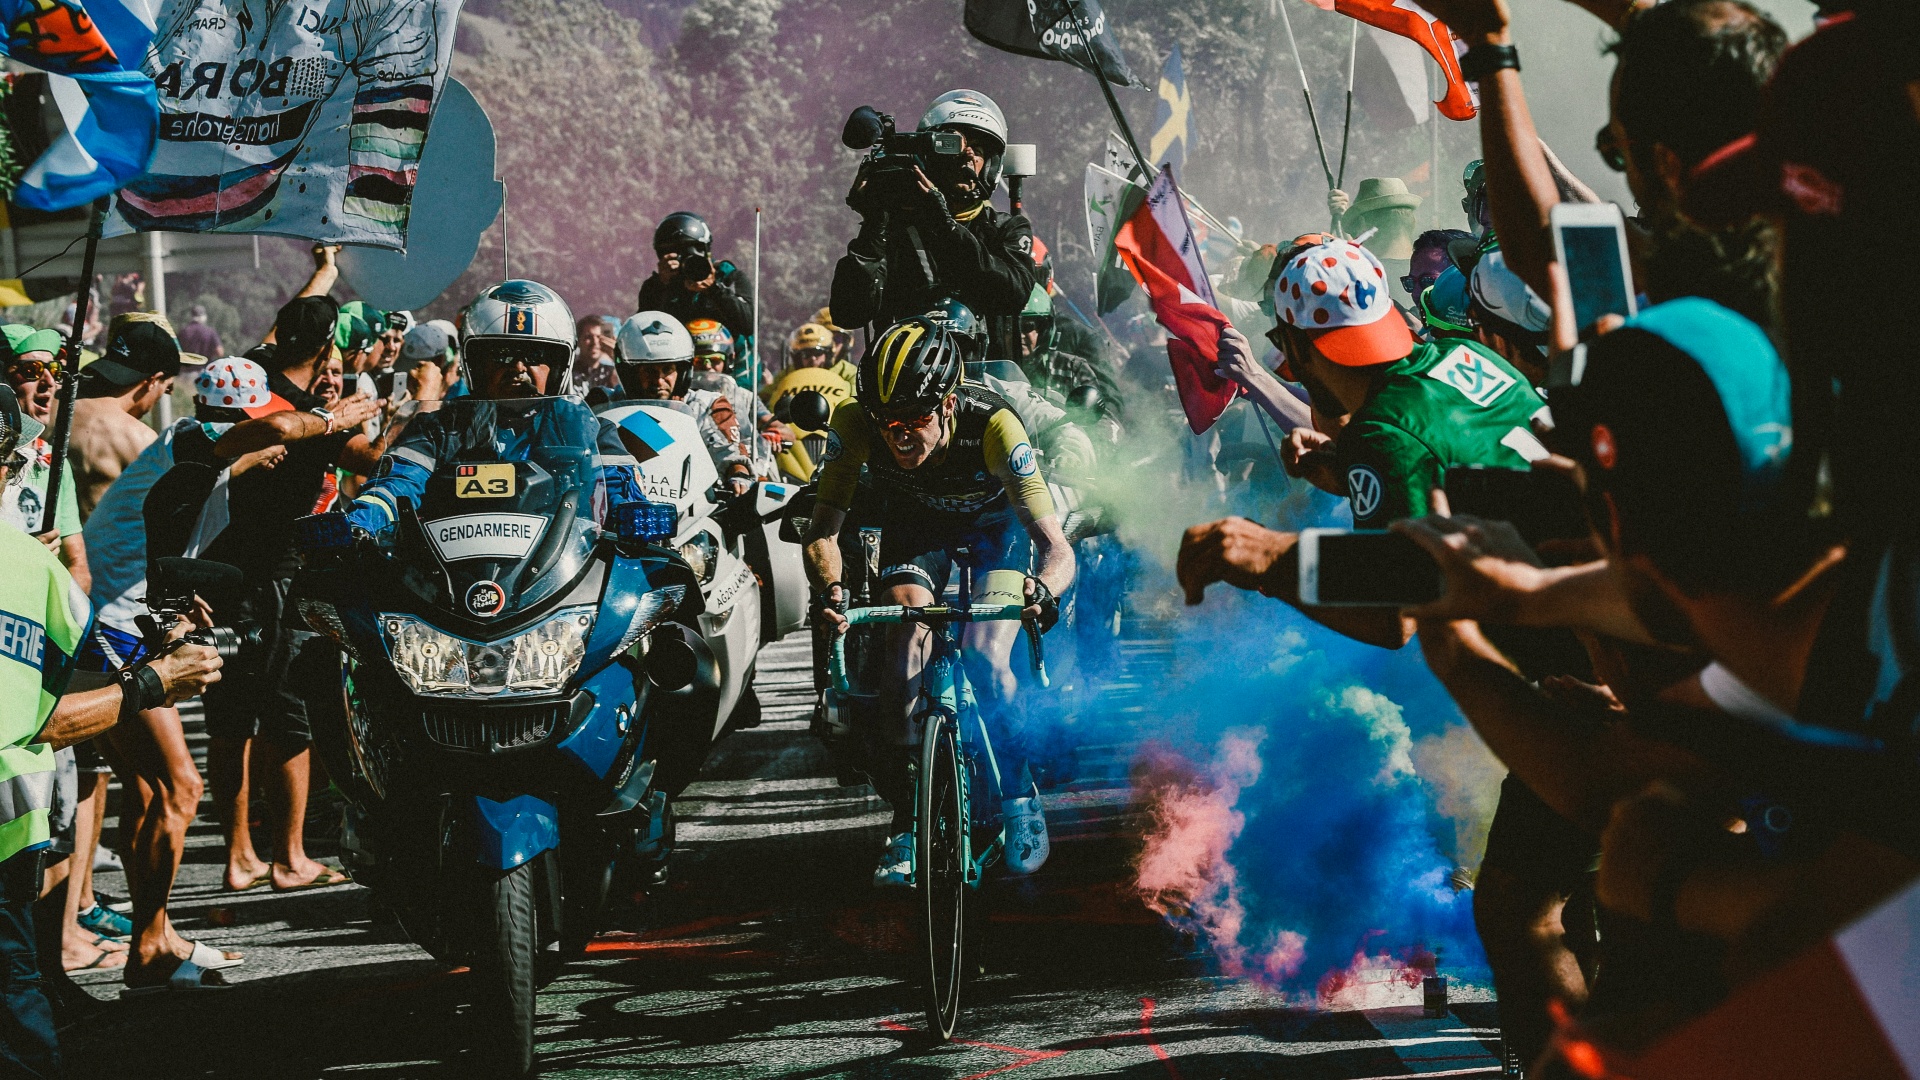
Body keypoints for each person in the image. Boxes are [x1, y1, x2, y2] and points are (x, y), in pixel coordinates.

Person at [803, 312, 1075, 886]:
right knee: (904, 646)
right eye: (887, 423)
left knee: (985, 653)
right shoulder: (853, 423)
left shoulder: (996, 425)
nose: (899, 437)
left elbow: (1055, 546)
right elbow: (823, 530)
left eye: (915, 420)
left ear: (949, 404)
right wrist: (830, 591)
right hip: (917, 526)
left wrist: (1045, 591)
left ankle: (1018, 792)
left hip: (995, 527)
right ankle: (908, 816)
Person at [1, 381, 222, 1069]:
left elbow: (78, 680)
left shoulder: (33, 565)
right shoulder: (31, 563)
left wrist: (157, 650)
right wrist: (157, 680)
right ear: (15, 464)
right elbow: (48, 724)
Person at [194, 294, 395, 911]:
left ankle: (238, 857)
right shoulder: (299, 413)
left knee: (229, 718)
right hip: (276, 582)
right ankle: (289, 859)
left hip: (224, 576)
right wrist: (369, 417)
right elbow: (368, 458)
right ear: (328, 347)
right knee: (289, 718)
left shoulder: (257, 379)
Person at [831, 90, 1036, 331]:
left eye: (978, 150)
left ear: (991, 164)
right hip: (906, 366)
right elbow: (848, 314)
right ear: (930, 157)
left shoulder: (1007, 228)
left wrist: (945, 225)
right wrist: (873, 227)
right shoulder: (899, 231)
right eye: (951, 146)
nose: (967, 155)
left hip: (983, 368)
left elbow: (1013, 295)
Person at [598, 311, 753, 488]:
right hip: (621, 502)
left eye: (667, 370)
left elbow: (730, 455)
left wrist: (739, 475)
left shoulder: (706, 405)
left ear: (682, 372)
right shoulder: (605, 404)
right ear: (630, 373)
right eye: (649, 371)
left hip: (694, 506)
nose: (659, 380)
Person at [68, 315, 192, 517]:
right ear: (154, 380)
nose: (162, 397)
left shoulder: (54, 406)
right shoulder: (141, 440)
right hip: (99, 547)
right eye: (167, 388)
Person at [1, 327, 87, 586]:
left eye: (55, 370)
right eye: (33, 370)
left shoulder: (53, 461)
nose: (50, 381)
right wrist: (22, 554)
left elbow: (77, 565)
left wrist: (63, 620)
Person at [1005, 285, 1123, 440]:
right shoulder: (988, 367)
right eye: (1010, 326)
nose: (1018, 334)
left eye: (1027, 326)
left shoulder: (1070, 368)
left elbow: (1104, 420)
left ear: (1044, 330)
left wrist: (1089, 447)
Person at [634, 212, 755, 340]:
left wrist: (714, 289)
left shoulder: (728, 277)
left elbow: (748, 325)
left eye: (690, 251)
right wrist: (661, 286)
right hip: (679, 357)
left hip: (726, 357)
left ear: (706, 250)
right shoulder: (654, 287)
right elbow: (642, 331)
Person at [572, 314, 621, 398]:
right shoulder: (568, 373)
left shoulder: (611, 373)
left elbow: (627, 391)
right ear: (578, 341)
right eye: (588, 337)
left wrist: (617, 358)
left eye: (599, 337)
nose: (595, 342)